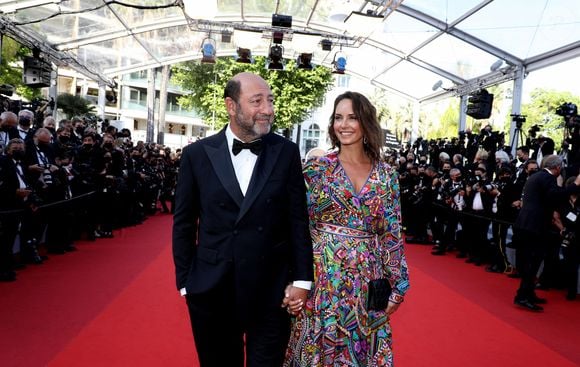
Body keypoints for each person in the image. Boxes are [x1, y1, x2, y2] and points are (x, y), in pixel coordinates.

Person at [172, 72, 314, 367]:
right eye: (257, 101)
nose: (268, 109)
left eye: (270, 100)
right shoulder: (197, 155)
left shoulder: (285, 152)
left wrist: (302, 280)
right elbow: (184, 224)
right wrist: (186, 282)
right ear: (231, 106)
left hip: (271, 289)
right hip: (212, 288)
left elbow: (297, 219)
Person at [284, 91, 410, 366]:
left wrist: (399, 286)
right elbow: (293, 227)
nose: (344, 124)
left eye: (352, 117)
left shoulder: (386, 174)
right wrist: (292, 279)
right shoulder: (316, 169)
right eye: (338, 117)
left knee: (362, 351)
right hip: (320, 279)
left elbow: (391, 234)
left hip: (366, 282)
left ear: (366, 122)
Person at [513, 154, 580, 311]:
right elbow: (556, 195)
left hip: (528, 224)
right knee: (532, 263)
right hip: (534, 226)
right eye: (561, 167)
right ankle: (522, 296)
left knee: (533, 262)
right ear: (556, 167)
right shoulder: (546, 178)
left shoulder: (537, 177)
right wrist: (576, 184)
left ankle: (527, 293)